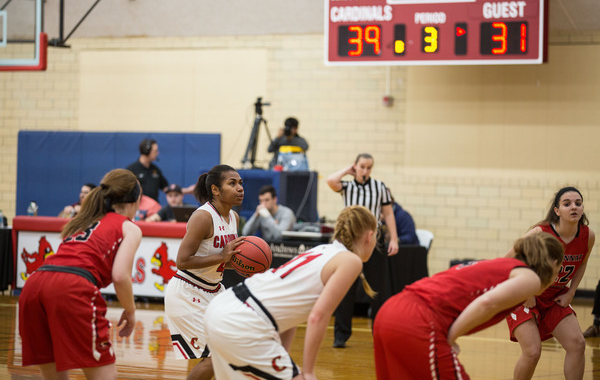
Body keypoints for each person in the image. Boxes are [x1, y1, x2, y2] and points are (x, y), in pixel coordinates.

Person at [205, 205, 378, 380]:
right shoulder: (351, 261)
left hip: (221, 308)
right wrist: (308, 372)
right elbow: (318, 316)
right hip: (244, 319)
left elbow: (290, 313)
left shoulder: (321, 250)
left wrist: (283, 354)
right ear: (370, 236)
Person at [374, 232, 564, 380]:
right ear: (554, 263)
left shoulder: (502, 265)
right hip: (418, 318)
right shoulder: (530, 277)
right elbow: (487, 303)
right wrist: (450, 338)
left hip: (390, 310)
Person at [19, 168, 142, 379]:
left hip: (34, 285)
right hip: (72, 286)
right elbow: (120, 276)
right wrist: (130, 311)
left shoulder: (84, 220)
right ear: (135, 200)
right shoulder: (129, 227)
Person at [164, 164, 245, 380]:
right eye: (232, 183)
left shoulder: (234, 217)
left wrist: (243, 265)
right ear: (215, 190)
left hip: (214, 290)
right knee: (215, 357)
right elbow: (182, 261)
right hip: (187, 292)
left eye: (240, 183)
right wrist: (222, 257)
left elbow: (224, 259)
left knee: (232, 347)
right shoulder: (203, 216)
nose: (240, 188)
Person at [506, 186, 594, 380]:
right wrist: (527, 292)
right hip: (523, 296)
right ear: (557, 210)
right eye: (567, 204)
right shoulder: (540, 232)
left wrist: (571, 292)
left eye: (578, 203)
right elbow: (508, 260)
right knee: (532, 352)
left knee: (577, 344)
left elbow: (583, 263)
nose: (574, 207)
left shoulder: (588, 235)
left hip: (554, 296)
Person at [326, 152, 398, 348]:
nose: (365, 171)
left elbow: (388, 213)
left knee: (377, 288)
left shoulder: (380, 187)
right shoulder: (347, 186)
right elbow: (331, 181)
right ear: (355, 166)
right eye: (362, 167)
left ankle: (380, 332)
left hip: (373, 239)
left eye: (369, 167)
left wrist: (394, 239)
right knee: (345, 287)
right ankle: (341, 335)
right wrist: (347, 171)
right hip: (350, 240)